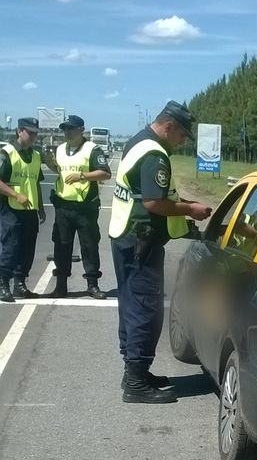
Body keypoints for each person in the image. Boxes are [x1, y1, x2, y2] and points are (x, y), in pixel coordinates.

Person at [109, 101, 211, 403]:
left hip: (126, 237)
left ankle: (134, 371)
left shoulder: (138, 141)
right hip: (141, 241)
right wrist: (191, 209)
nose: (182, 142)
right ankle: (136, 381)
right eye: (182, 135)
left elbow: (153, 195)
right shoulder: (155, 154)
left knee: (131, 304)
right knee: (145, 309)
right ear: (168, 126)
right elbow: (155, 203)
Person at [47, 115, 111, 299]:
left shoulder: (92, 149)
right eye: (65, 129)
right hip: (63, 207)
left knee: (89, 246)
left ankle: (92, 285)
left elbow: (105, 173)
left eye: (71, 129)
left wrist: (82, 176)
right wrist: (51, 165)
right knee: (61, 246)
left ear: (81, 130)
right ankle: (61, 286)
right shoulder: (59, 149)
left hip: (85, 208)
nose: (67, 132)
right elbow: (60, 171)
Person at [0, 117, 46, 302]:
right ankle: (3, 283)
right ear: (19, 131)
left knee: (28, 248)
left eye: (35, 133)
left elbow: (35, 183)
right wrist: (15, 194)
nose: (34, 136)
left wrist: (41, 208)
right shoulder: (7, 153)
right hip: (11, 209)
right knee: (11, 246)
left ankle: (20, 283)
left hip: (30, 210)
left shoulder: (35, 155)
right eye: (30, 132)